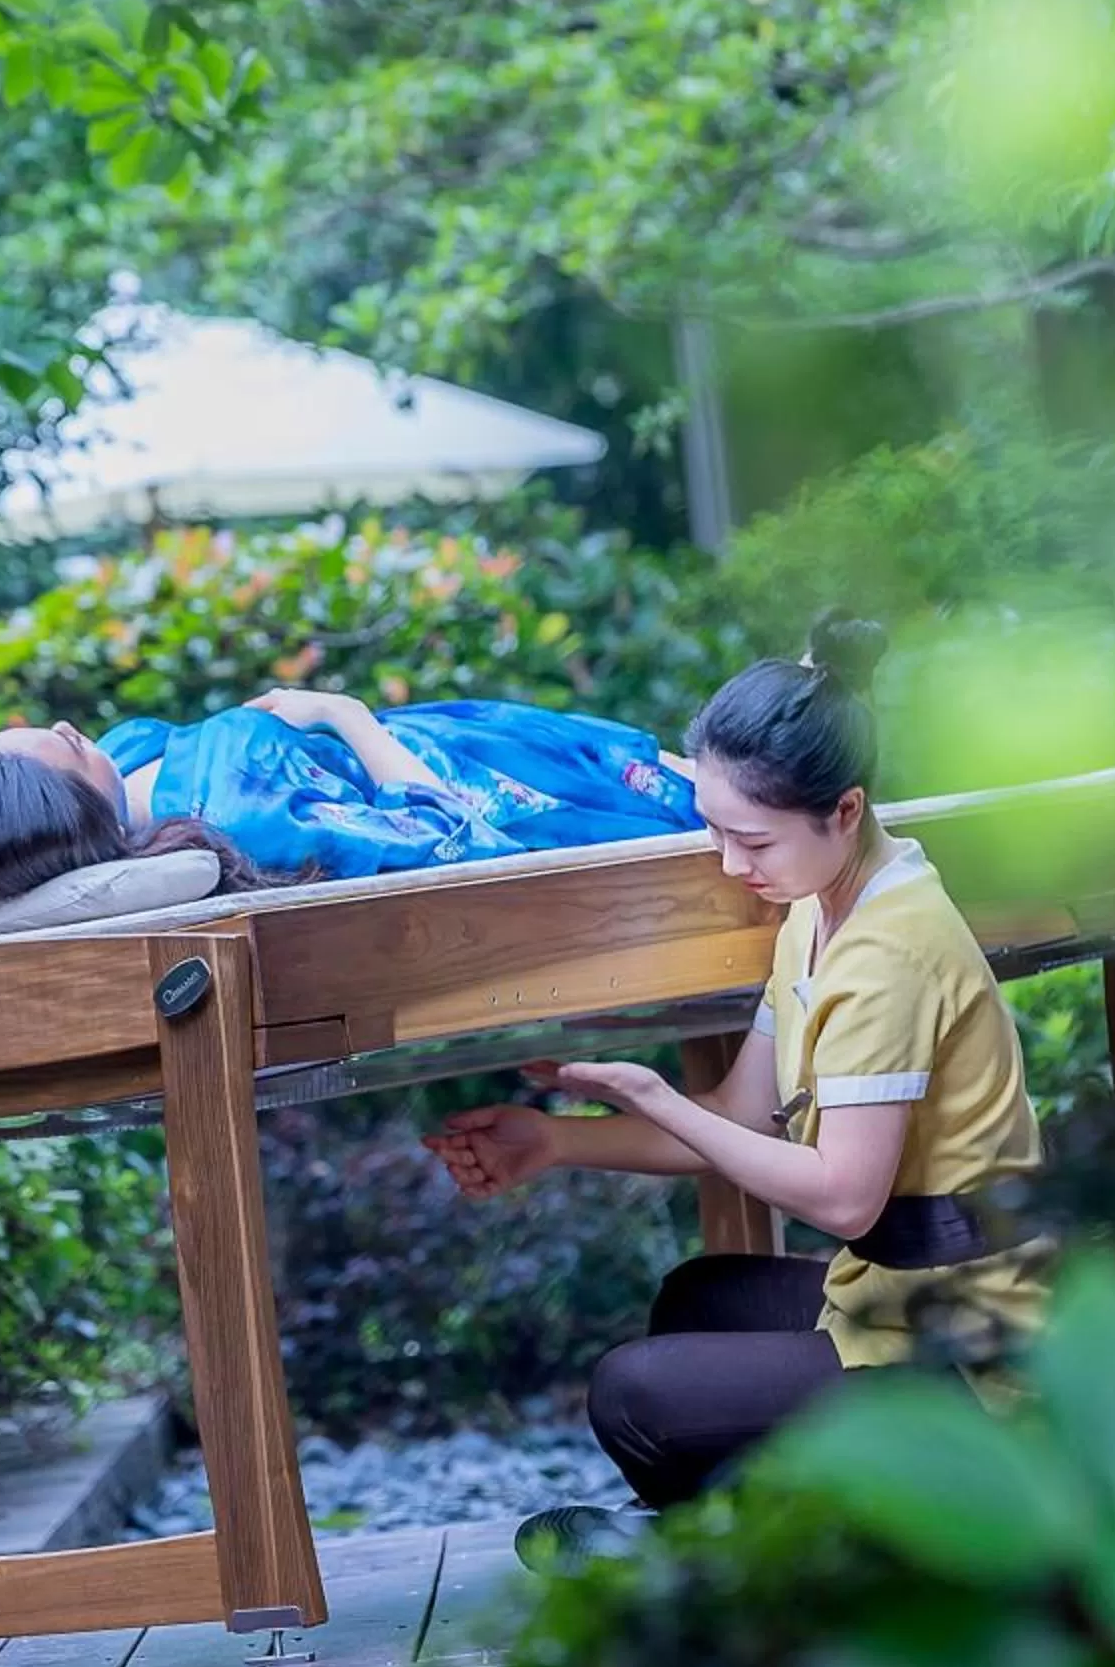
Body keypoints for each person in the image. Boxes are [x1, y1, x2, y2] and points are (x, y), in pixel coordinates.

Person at [423, 613, 1050, 1568]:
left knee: (635, 1394)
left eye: (750, 840)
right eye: (715, 829)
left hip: (967, 1347)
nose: (728, 864)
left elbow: (843, 1193)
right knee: (699, 1299)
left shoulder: (891, 949)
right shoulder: (814, 909)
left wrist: (651, 1094)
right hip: (887, 1298)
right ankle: (760, 1540)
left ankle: (732, 1565)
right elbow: (738, 1120)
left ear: (844, 811)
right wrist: (556, 1142)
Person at [0, 691, 700, 907]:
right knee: (705, 787)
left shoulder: (125, 776)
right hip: (488, 778)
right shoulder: (251, 820)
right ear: (82, 817)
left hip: (470, 736)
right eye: (71, 744)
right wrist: (340, 714)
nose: (78, 727)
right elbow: (446, 836)